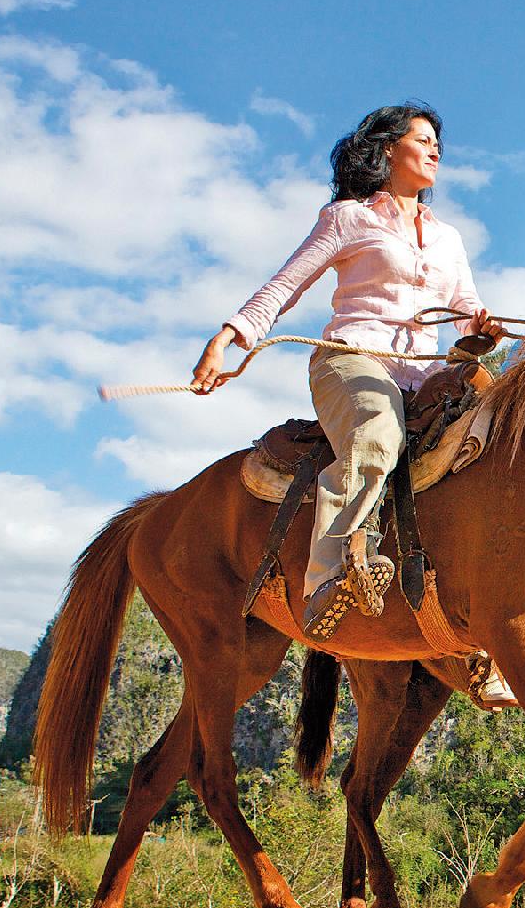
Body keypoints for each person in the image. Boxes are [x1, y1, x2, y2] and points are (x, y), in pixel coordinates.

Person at [191, 103, 502, 640]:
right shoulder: (348, 217)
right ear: (388, 149)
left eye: (438, 145)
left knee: (501, 432)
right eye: (422, 140)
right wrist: (228, 339)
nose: (434, 151)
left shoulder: (448, 237)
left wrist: (481, 327)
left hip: (426, 375)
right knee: (378, 433)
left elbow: (464, 308)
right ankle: (327, 576)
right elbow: (285, 285)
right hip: (352, 359)